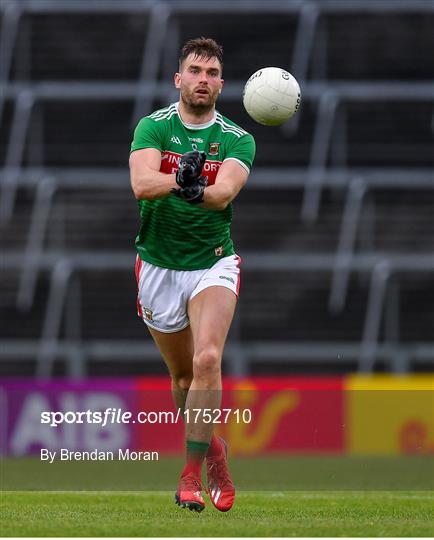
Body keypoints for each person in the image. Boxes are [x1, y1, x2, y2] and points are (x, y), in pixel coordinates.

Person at [129, 37, 255, 513]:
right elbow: (142, 185)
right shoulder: (153, 127)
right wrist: (182, 178)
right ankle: (215, 447)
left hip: (213, 262)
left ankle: (192, 472)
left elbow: (223, 194)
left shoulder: (238, 138)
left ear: (221, 84)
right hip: (158, 265)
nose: (204, 79)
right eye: (195, 70)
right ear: (178, 79)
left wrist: (189, 185)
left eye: (213, 72)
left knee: (206, 360)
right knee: (182, 378)